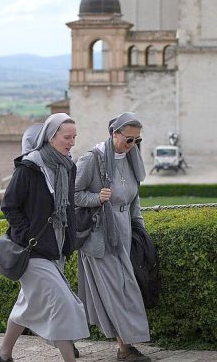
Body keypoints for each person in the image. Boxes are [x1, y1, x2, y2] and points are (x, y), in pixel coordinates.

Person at [0, 114, 88, 362]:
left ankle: (3, 354)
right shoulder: (30, 167)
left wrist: (70, 241)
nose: (71, 142)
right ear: (51, 136)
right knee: (63, 304)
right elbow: (10, 206)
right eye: (67, 137)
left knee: (27, 305)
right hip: (33, 251)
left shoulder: (68, 166)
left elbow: (67, 208)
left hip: (55, 248)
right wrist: (26, 236)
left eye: (74, 137)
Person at [74, 112, 152, 362]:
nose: (132, 146)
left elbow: (133, 200)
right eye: (128, 140)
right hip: (99, 238)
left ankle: (68, 338)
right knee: (118, 292)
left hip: (124, 235)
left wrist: (140, 230)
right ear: (114, 134)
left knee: (125, 288)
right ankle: (125, 349)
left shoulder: (130, 159)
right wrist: (97, 198)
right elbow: (71, 196)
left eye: (136, 141)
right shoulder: (92, 159)